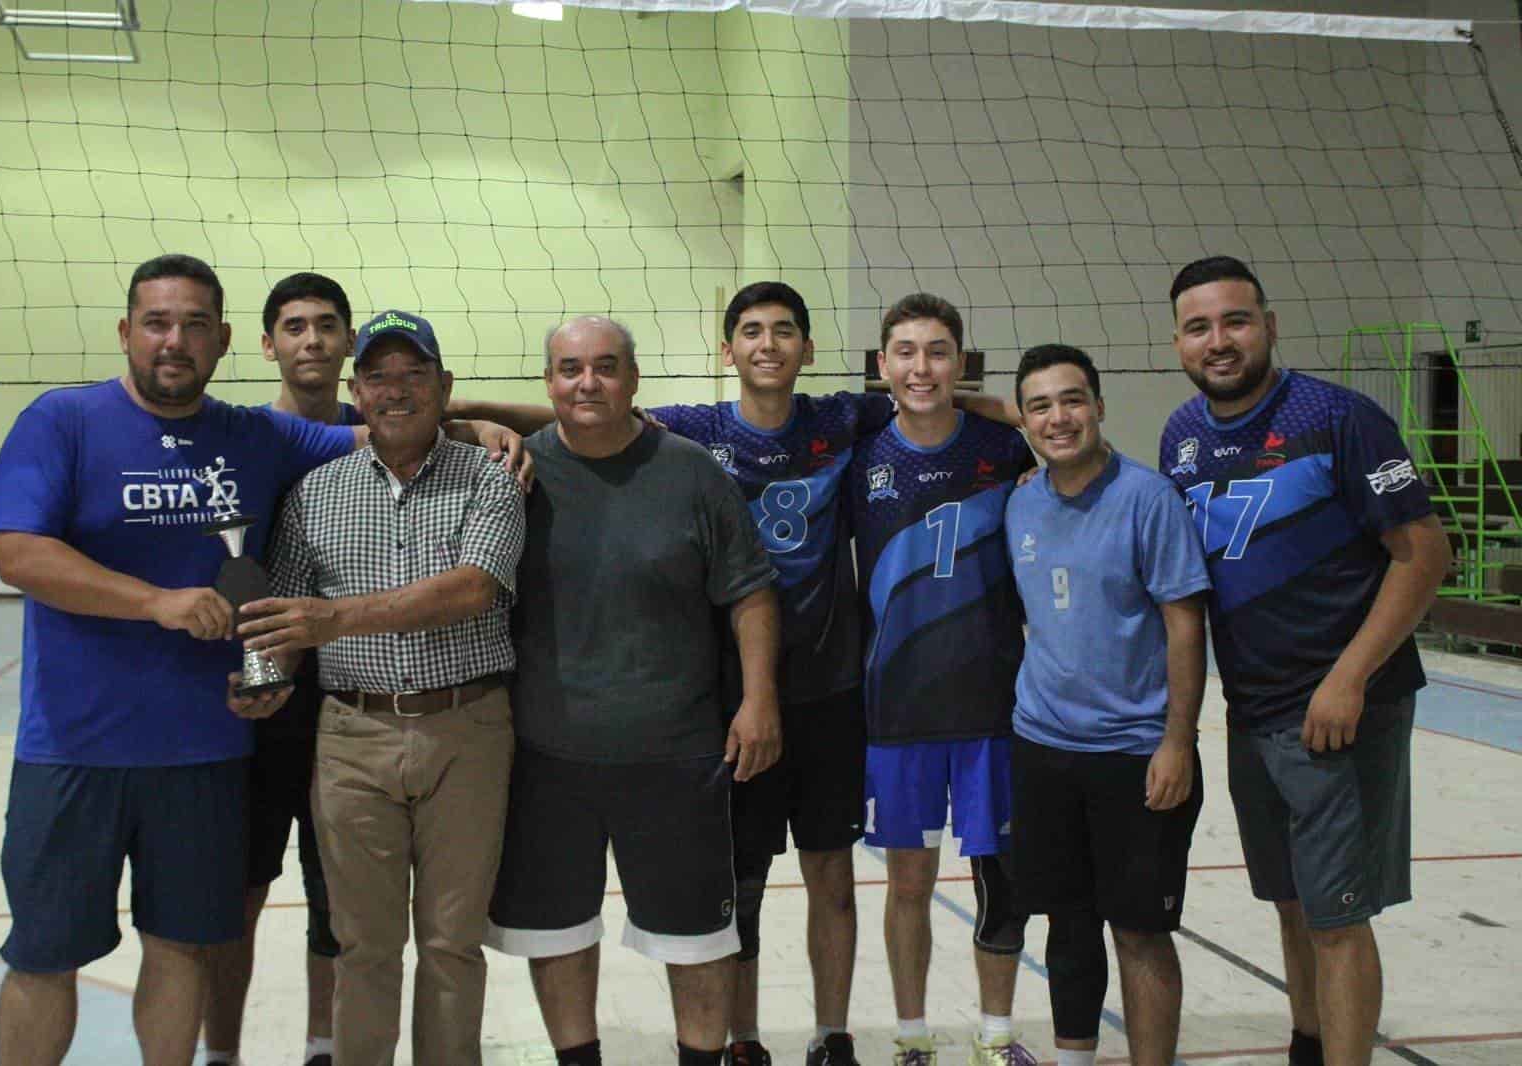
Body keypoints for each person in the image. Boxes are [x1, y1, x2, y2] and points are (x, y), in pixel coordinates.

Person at [452, 281, 1019, 1066]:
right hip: (724, 700)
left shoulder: (842, 418)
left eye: (785, 331)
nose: (768, 344)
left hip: (827, 690)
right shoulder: (693, 430)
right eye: (751, 331)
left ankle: (832, 1035)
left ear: (809, 351)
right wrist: (473, 417)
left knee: (829, 875)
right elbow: (573, 417)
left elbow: (941, 406)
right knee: (740, 888)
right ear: (729, 351)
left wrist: (1031, 417)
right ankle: (744, 1040)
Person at [0, 254, 359, 1066]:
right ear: (126, 333)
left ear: (224, 340)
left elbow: (391, 427)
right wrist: (154, 601)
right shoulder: (61, 422)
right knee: (45, 956)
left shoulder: (257, 434)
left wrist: (485, 423)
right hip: (73, 750)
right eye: (157, 322)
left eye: (194, 325)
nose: (174, 340)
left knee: (183, 947)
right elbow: (18, 554)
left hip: (205, 752)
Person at [1159, 256, 1450, 1066]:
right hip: (1254, 711)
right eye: (1199, 326)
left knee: (1337, 916)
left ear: (1270, 325)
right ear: (1178, 341)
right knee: (1290, 901)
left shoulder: (1340, 418)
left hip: (1342, 708)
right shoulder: (1182, 436)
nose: (1219, 341)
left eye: (1236, 321)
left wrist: (1348, 677)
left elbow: (1423, 553)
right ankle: (1309, 1045)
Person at [233, 309, 527, 1066]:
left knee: (452, 943)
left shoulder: (489, 480)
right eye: (378, 376)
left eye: (413, 374)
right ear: (355, 393)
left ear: (446, 387)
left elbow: (472, 590)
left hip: (466, 731)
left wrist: (333, 619)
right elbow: (286, 622)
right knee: (361, 944)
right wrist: (265, 679)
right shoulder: (315, 493)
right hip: (352, 740)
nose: (395, 391)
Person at [485, 315, 782, 1066]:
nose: (588, 383)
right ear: (548, 381)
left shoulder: (692, 472)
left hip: (677, 751)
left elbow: (749, 592)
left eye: (606, 366)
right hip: (548, 752)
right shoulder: (512, 475)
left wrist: (759, 700)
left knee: (698, 938)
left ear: (634, 378)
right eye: (571, 368)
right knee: (556, 931)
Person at [1004, 344, 1210, 1066]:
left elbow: (1186, 625)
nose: (1058, 417)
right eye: (1040, 406)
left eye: (1072, 400)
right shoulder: (1021, 499)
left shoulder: (1148, 499)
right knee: (1067, 920)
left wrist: (1176, 743)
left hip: (1136, 754)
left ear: (1098, 405)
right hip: (1044, 749)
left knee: (1141, 932)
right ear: (1023, 419)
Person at [846, 294, 1037, 1066]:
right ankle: (912, 1037)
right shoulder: (858, 454)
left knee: (999, 884)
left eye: (937, 352)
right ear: (883, 363)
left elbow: (1077, 441)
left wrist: (1013, 409)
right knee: (909, 886)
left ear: (961, 363)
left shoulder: (1006, 445)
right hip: (897, 710)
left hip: (995, 707)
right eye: (906, 352)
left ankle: (995, 1035)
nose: (921, 366)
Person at [200, 272, 362, 1066]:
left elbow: (454, 421)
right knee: (241, 892)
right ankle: (223, 1053)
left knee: (337, 903)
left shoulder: (385, 427)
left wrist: (490, 427)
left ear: (349, 340)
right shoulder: (243, 436)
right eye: (293, 327)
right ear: (267, 344)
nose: (311, 340)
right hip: (264, 702)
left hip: (357, 701)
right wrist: (262, 667)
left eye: (326, 325)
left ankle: (323, 1048)